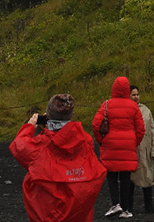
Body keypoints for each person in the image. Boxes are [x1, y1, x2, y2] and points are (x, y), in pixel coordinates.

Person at [11, 94, 104, 222]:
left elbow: (19, 146)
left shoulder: (40, 146)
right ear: (71, 116)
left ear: (47, 116)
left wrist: (30, 126)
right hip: (80, 212)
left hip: (49, 214)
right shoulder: (85, 140)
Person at [93, 75, 144, 218]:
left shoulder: (107, 104)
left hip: (110, 145)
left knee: (111, 175)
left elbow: (95, 125)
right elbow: (141, 129)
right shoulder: (133, 106)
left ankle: (116, 204)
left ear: (113, 88)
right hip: (128, 146)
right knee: (126, 177)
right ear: (127, 90)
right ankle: (126, 209)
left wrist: (101, 141)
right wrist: (134, 142)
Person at [129, 84, 154, 215]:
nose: (136, 97)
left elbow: (153, 131)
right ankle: (128, 206)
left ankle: (149, 205)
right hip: (131, 150)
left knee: (147, 178)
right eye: (133, 95)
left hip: (145, 150)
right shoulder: (125, 111)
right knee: (129, 180)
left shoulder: (146, 110)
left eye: (137, 94)